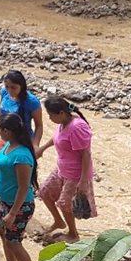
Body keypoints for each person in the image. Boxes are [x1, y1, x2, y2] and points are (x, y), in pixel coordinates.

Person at [0, 71, 43, 214]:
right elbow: (0, 111)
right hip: (5, 138)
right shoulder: (4, 92)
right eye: (7, 86)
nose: (10, 90)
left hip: (22, 141)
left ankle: (19, 208)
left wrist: (35, 145)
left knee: (18, 177)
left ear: (22, 86)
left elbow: (39, 125)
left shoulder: (31, 101)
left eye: (14, 87)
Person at [36, 95, 96, 242]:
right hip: (62, 168)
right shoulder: (64, 122)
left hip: (75, 174)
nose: (50, 119)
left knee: (64, 204)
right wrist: (43, 148)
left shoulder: (76, 127)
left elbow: (86, 154)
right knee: (44, 192)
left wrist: (83, 181)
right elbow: (58, 137)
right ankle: (59, 221)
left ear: (61, 113)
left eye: (51, 115)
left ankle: (73, 234)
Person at [0, 113, 37, 261]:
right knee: (3, 234)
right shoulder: (8, 145)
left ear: (6, 131)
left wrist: (12, 214)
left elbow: (24, 187)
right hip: (5, 202)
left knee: (14, 242)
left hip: (19, 206)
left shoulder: (21, 155)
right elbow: (3, 172)